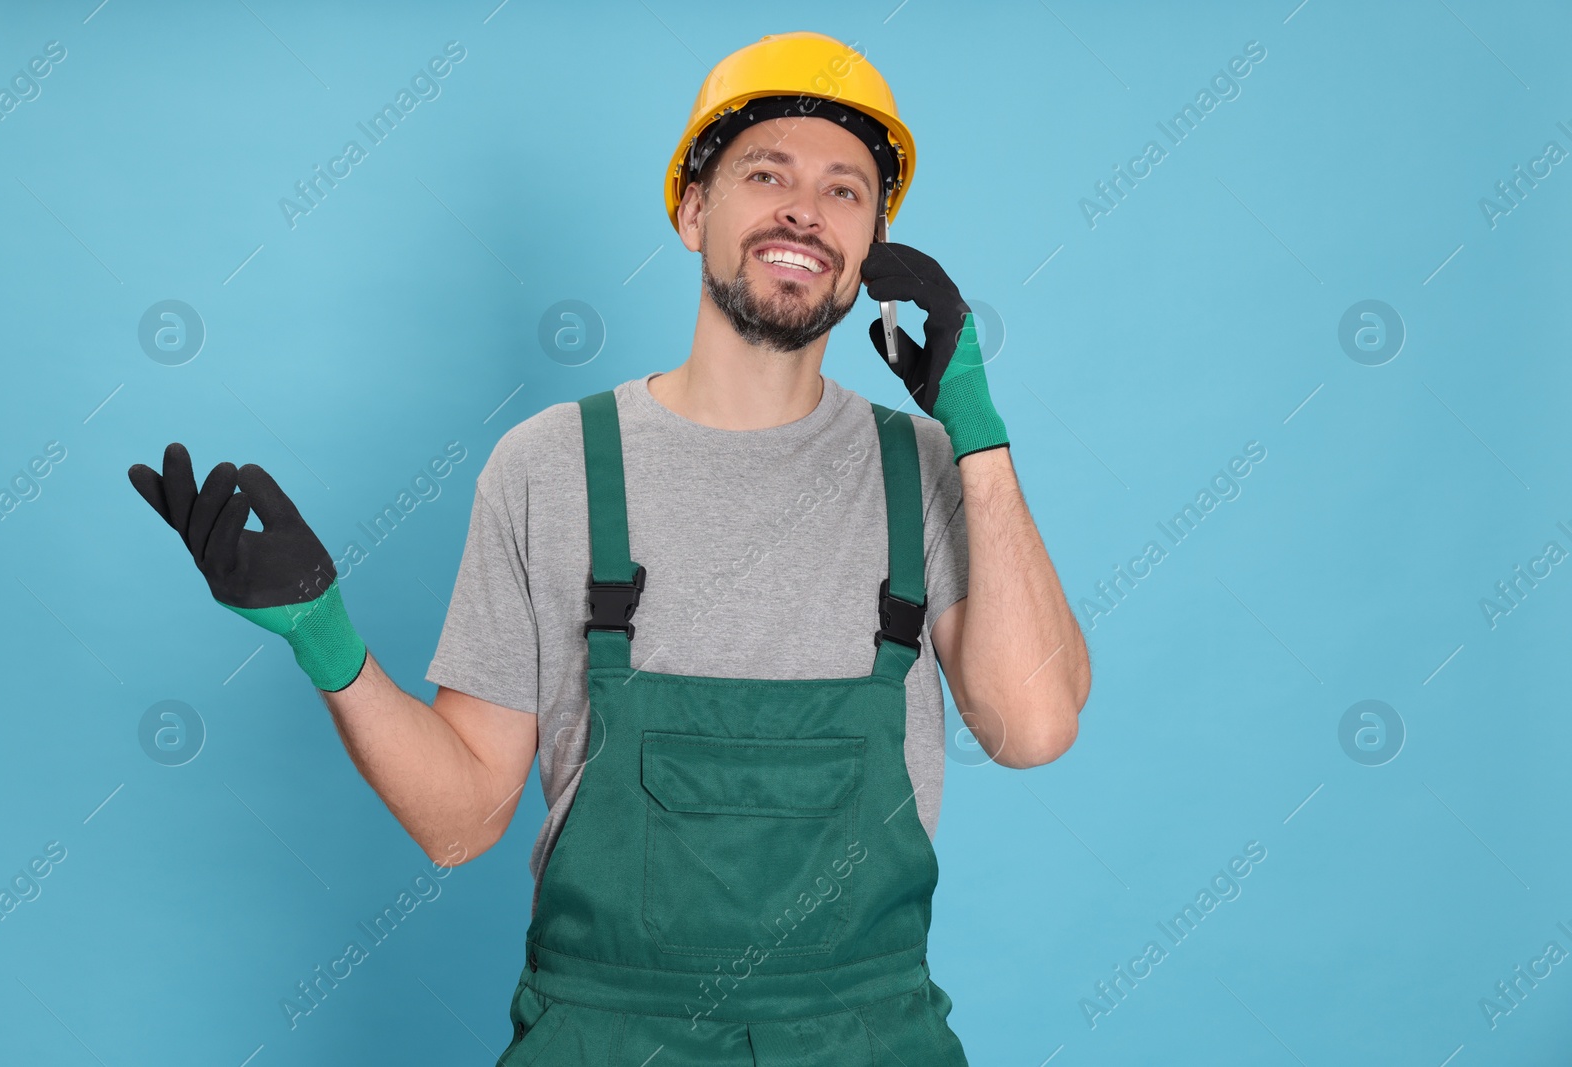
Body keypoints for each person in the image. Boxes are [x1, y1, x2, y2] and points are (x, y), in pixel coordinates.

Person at [127, 30, 1089, 1065]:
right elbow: (459, 821)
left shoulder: (930, 467)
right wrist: (326, 643)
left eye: (845, 190)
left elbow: (1032, 725)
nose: (804, 208)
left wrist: (977, 433)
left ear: (872, 246)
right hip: (605, 1037)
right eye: (766, 172)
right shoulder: (549, 467)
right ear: (691, 210)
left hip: (867, 1034)